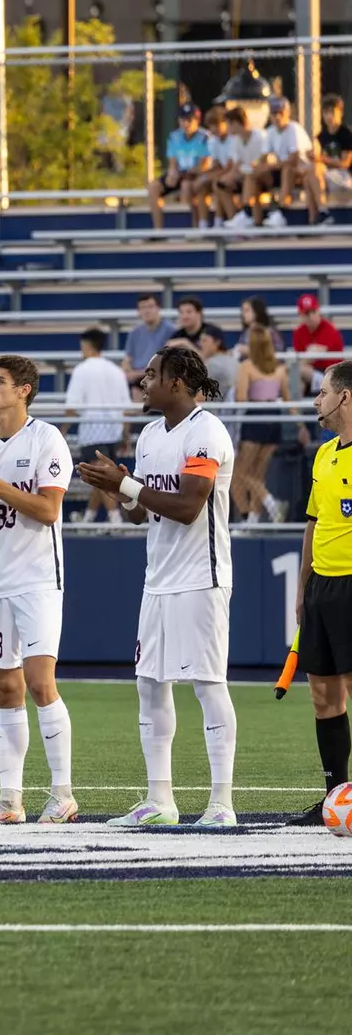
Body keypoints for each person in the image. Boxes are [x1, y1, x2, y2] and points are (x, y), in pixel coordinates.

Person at [77, 346, 238, 827]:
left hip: (201, 578)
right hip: (159, 579)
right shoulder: (148, 435)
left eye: (151, 374)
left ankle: (221, 803)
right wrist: (117, 487)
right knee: (150, 686)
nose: (142, 382)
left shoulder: (206, 431)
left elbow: (189, 507)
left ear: (180, 382)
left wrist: (125, 487)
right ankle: (160, 801)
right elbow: (144, 510)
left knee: (209, 687)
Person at [0, 355, 76, 824]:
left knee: (41, 682)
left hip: (39, 579)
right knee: (5, 686)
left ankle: (62, 792)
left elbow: (48, 511)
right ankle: (9, 800)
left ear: (24, 390)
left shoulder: (46, 438)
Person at [287, 361, 352, 827]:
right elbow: (314, 522)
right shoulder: (324, 454)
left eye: (323, 392)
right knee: (323, 697)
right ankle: (335, 799)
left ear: (344, 397)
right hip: (322, 588)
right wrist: (303, 586)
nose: (316, 400)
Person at [64, 329, 131, 524]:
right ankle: (88, 518)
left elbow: (72, 406)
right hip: (113, 432)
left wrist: (63, 429)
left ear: (86, 346)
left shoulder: (82, 370)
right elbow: (125, 408)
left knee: (102, 479)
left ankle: (116, 520)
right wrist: (125, 435)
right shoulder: (117, 371)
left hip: (92, 434)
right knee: (101, 478)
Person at [233, 327, 290, 524]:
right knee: (258, 473)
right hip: (275, 418)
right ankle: (253, 520)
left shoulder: (246, 366)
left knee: (241, 471)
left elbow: (240, 398)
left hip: (256, 417)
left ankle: (270, 502)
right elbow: (287, 397)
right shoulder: (280, 368)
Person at [251, 96, 325, 226]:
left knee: (287, 170)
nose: (278, 117)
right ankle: (252, 217)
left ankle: (282, 211)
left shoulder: (294, 129)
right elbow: (263, 158)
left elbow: (294, 159)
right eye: (274, 113)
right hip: (282, 170)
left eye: (281, 113)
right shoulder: (270, 132)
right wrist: (258, 167)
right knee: (254, 176)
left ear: (287, 113)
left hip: (302, 170)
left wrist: (271, 166)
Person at [148, 103, 211, 230]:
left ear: (197, 121)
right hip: (179, 173)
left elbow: (202, 166)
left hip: (194, 174)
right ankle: (158, 230)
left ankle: (191, 227)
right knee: (154, 187)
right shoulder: (174, 137)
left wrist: (185, 173)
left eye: (189, 120)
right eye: (182, 120)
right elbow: (173, 162)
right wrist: (172, 173)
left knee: (186, 186)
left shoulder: (204, 138)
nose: (185, 124)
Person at [190, 105, 235, 226]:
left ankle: (220, 221)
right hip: (222, 173)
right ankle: (203, 223)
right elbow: (216, 165)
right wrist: (203, 177)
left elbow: (230, 167)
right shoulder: (213, 141)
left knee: (217, 184)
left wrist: (206, 177)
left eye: (217, 125)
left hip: (234, 175)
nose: (214, 129)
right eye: (211, 126)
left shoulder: (233, 139)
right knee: (202, 186)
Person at [293, 294, 345, 393]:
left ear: (318, 311)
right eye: (307, 313)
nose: (312, 316)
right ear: (301, 315)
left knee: (296, 370)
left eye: (314, 311)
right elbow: (302, 359)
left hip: (333, 373)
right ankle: (294, 408)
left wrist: (306, 358)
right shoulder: (299, 332)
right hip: (311, 372)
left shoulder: (329, 328)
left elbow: (314, 354)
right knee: (297, 380)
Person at [124, 294, 175, 388]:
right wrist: (127, 372)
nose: (147, 311)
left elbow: (166, 364)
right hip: (137, 379)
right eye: (143, 307)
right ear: (139, 311)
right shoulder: (134, 333)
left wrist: (138, 374)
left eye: (150, 307)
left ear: (158, 308)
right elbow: (127, 359)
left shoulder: (170, 330)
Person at [318, 94, 352, 203]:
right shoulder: (321, 136)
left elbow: (345, 163)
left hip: (346, 176)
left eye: (332, 112)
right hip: (327, 174)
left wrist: (323, 159)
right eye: (326, 112)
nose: (329, 116)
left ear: (340, 113)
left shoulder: (346, 134)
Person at [199, 326, 238, 407]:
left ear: (217, 342)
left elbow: (198, 398)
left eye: (204, 340)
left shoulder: (212, 365)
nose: (200, 344)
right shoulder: (235, 362)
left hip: (216, 414)